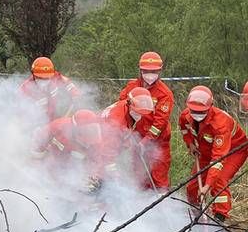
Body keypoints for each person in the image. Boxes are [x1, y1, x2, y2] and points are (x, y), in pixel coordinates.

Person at [179, 86, 248, 221]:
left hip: (234, 151)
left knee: (218, 181)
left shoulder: (220, 124)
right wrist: (190, 143)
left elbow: (218, 159)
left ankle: (219, 218)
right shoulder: (186, 115)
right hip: (207, 150)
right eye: (193, 110)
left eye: (201, 111)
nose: (197, 114)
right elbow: (184, 129)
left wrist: (207, 185)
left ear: (211, 106)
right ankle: (196, 216)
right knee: (192, 187)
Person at [119, 52, 174, 190]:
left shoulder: (164, 93)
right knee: (139, 178)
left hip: (158, 142)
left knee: (158, 178)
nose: (150, 74)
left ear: (159, 71)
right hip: (136, 139)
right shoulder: (132, 87)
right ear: (140, 70)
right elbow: (122, 108)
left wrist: (146, 141)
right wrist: (128, 135)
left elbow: (159, 123)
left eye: (153, 71)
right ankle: (141, 207)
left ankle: (163, 208)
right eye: (146, 71)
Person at [32, 109, 117, 194]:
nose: (90, 133)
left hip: (72, 174)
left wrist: (92, 179)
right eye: (87, 131)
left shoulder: (96, 142)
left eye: (93, 129)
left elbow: (96, 163)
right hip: (51, 165)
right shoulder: (58, 127)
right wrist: (36, 162)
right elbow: (40, 138)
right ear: (75, 130)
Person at [101, 87, 157, 190]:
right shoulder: (116, 122)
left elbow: (127, 129)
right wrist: (113, 172)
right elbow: (106, 151)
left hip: (110, 142)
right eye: (138, 112)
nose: (140, 115)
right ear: (129, 104)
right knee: (102, 177)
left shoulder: (126, 106)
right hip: (100, 145)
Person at [20, 57, 80, 123]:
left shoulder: (55, 76)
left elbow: (67, 82)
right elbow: (22, 114)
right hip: (37, 123)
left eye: (47, 78)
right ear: (33, 74)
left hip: (53, 117)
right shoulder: (25, 89)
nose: (44, 80)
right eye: (40, 78)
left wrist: (74, 92)